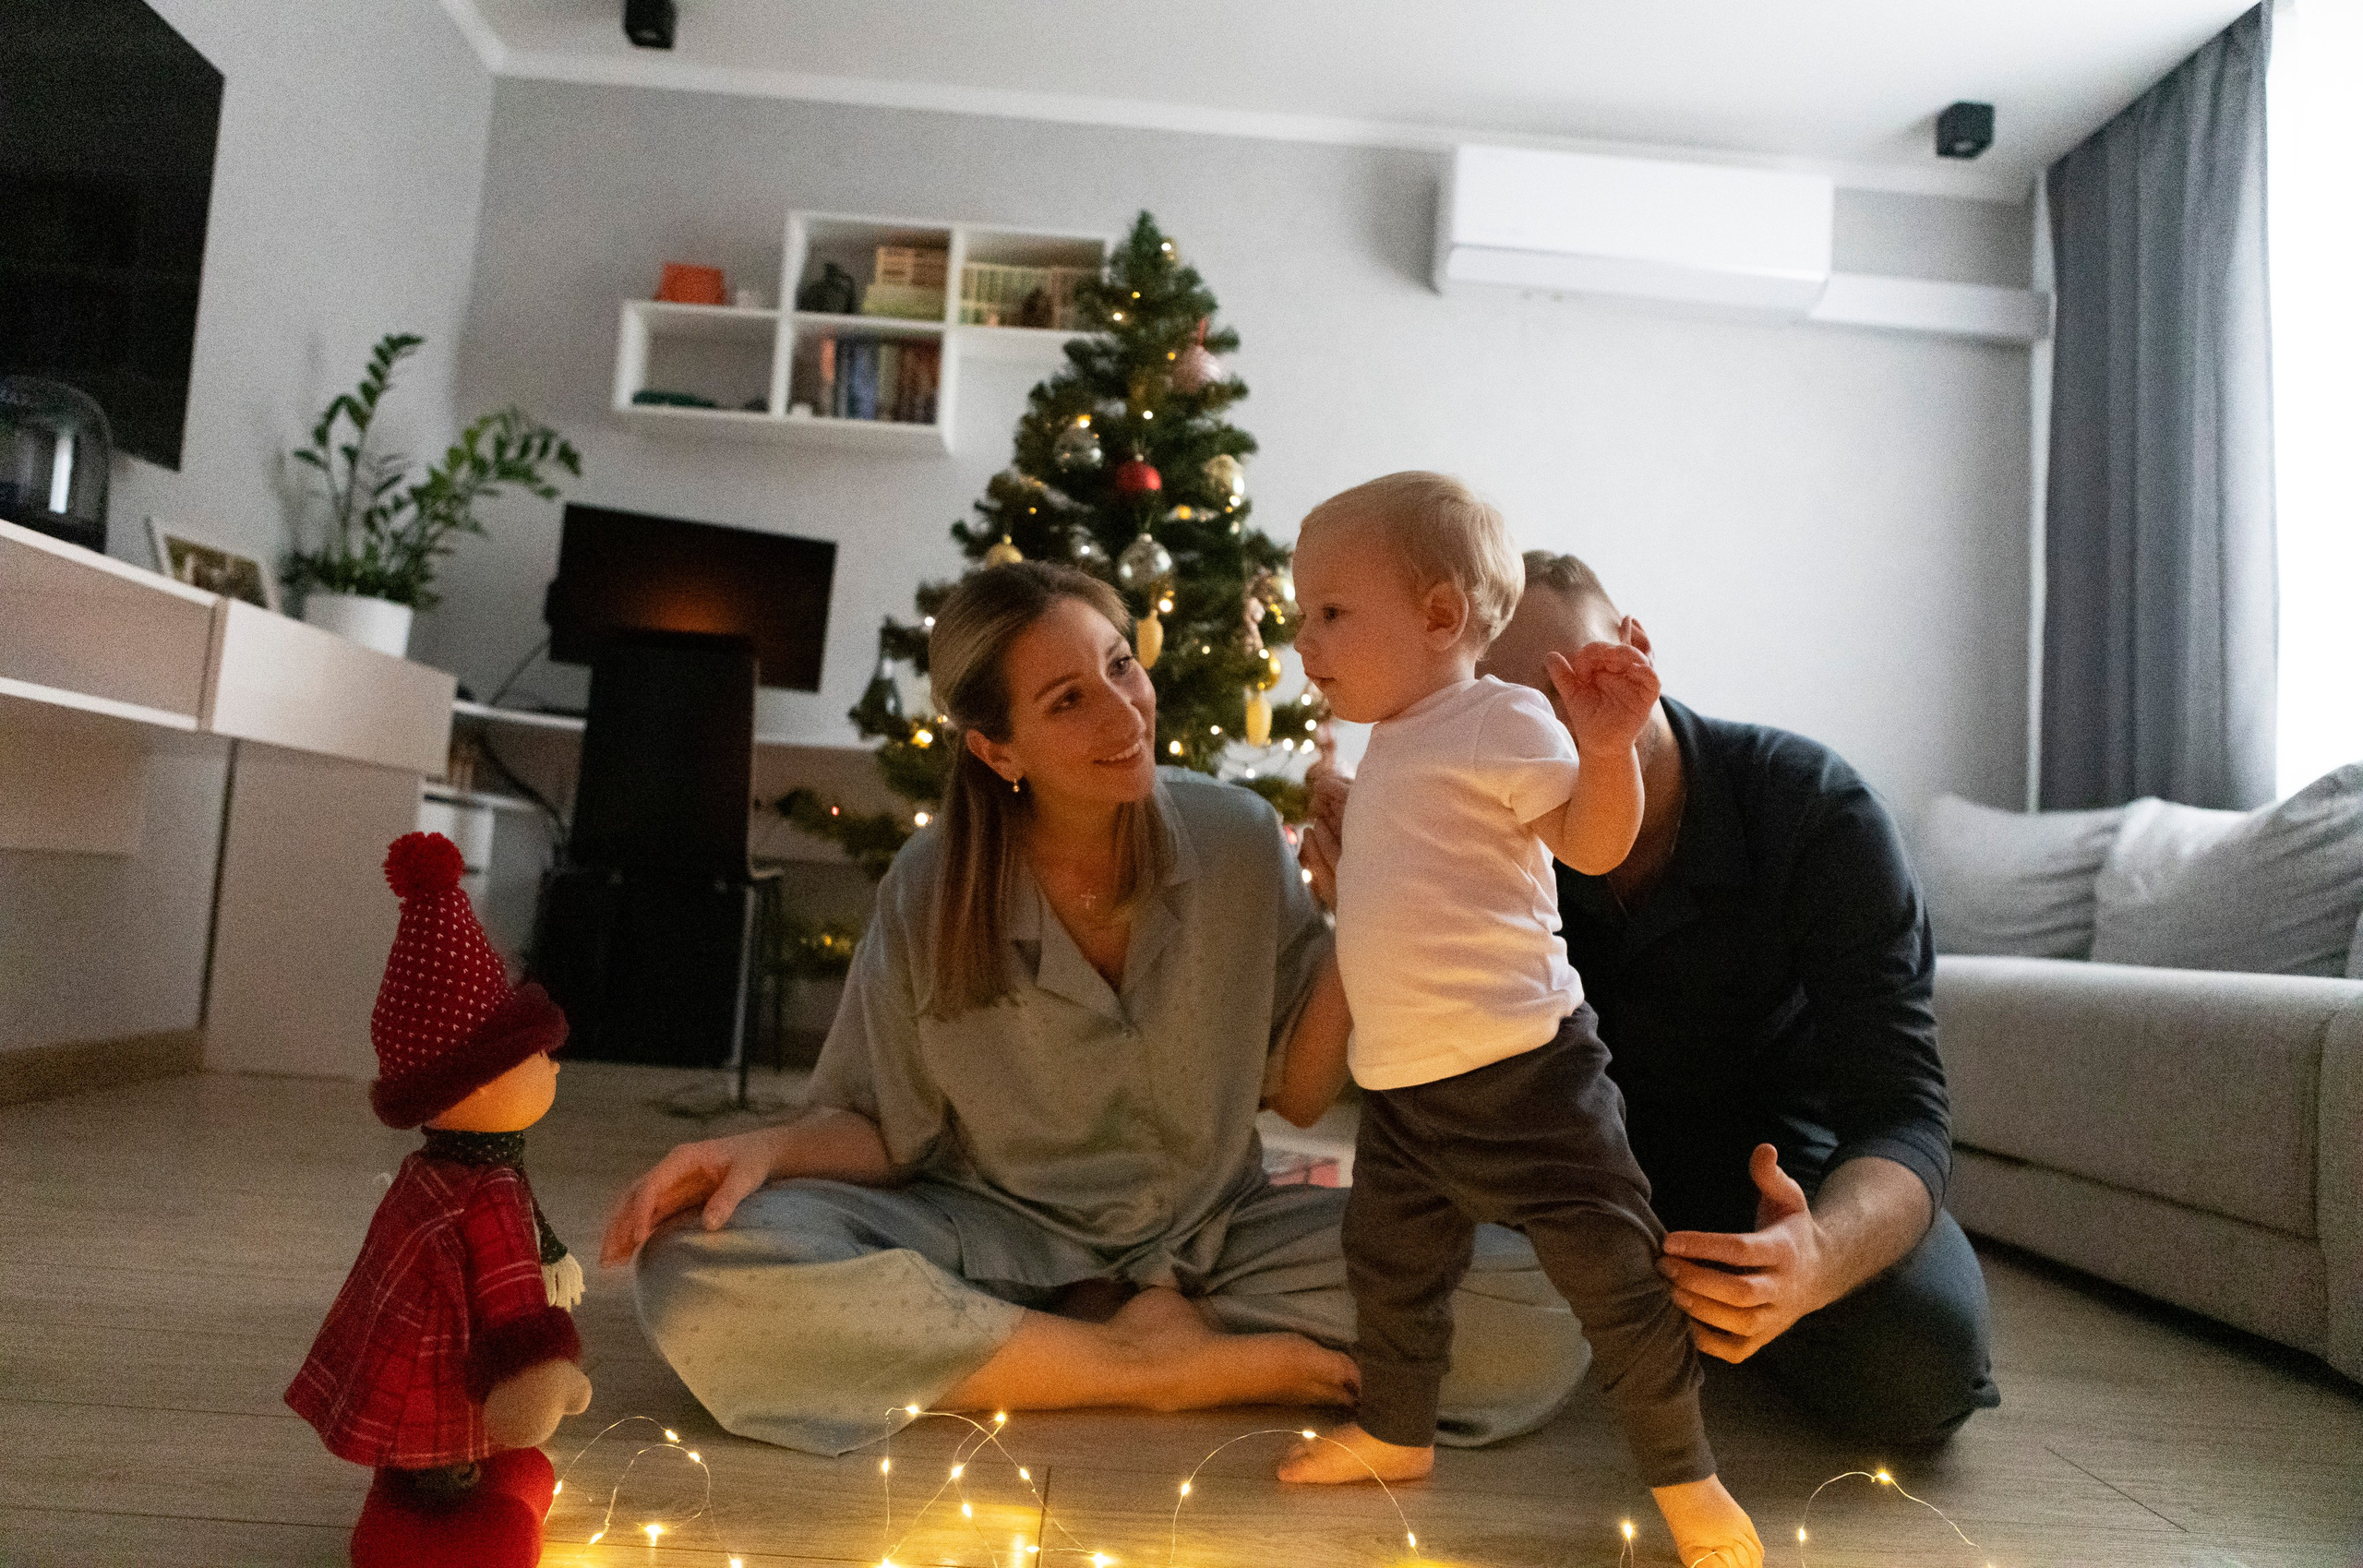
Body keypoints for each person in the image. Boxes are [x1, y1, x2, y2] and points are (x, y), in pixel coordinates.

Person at [600, 561, 1591, 1458]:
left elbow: (1299, 1092)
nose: (1125, 714)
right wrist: (765, 1148)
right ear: (997, 749)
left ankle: (1068, 1344)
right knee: (695, 1271)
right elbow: (888, 1128)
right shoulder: (930, 886)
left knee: (1547, 1307)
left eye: (1121, 666)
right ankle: (1138, 1363)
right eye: (1068, 700)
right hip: (991, 1239)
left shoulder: (1237, 839)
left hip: (1218, 1236)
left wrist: (1362, 908)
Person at [1301, 549, 2001, 1449]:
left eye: (1567, 686)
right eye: (1499, 710)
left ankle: (1698, 1312)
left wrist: (1818, 1254)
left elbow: (1903, 1110)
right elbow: (1414, 1081)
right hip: (1554, 1170)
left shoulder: (1815, 812)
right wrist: (1371, 908)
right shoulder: (1479, 819)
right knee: (1377, 1278)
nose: (1547, 733)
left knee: (1921, 1362)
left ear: (1636, 648)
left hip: (1773, 1173)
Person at [1274, 473, 1761, 1568]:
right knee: (1390, 1269)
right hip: (1404, 1089)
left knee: (1612, 1278)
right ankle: (1396, 1432)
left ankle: (1686, 1478)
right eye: (1303, 614)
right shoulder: (1395, 738)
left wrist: (1605, 752)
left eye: (1331, 612)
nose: (1305, 639)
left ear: (1441, 615)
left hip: (1527, 1078)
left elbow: (1590, 844)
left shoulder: (1499, 717)